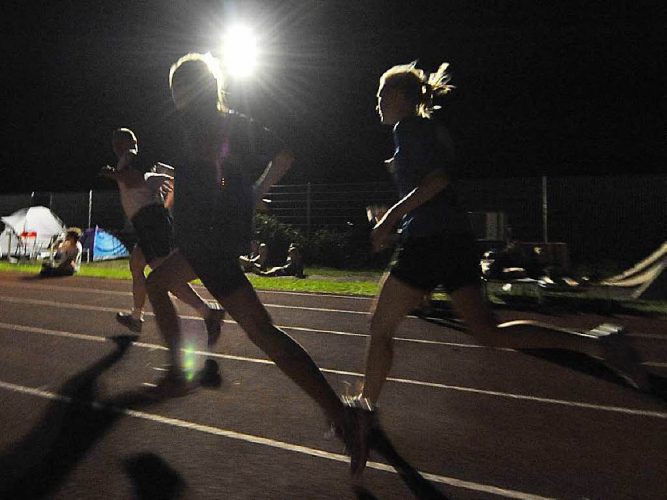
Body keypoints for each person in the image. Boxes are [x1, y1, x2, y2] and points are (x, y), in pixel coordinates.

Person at [355, 60, 651, 469]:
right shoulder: (417, 133)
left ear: (403, 98)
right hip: (453, 239)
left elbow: (437, 181)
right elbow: (432, 185)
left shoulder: (409, 130)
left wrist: (390, 219)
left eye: (382, 94)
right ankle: (598, 345)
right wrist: (395, 213)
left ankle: (364, 411)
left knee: (380, 325)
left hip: (430, 241)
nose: (377, 102)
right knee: (487, 331)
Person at [144, 52, 369, 471]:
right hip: (210, 241)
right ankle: (342, 414)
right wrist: (251, 192)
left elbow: (217, 171)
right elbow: (281, 156)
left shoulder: (201, 126)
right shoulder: (233, 122)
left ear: (191, 89)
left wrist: (236, 193)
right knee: (259, 331)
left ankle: (180, 371)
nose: (174, 95)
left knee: (258, 331)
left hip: (206, 243)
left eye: (177, 86)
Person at [99, 128, 225, 338]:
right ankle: (136, 317)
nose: (114, 146)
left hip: (150, 224)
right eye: (114, 142)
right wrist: (165, 205)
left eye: (117, 141)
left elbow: (135, 179)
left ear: (129, 142)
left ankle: (208, 313)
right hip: (148, 222)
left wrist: (111, 173)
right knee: (136, 265)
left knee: (165, 277)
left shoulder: (130, 158)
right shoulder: (135, 160)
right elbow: (168, 180)